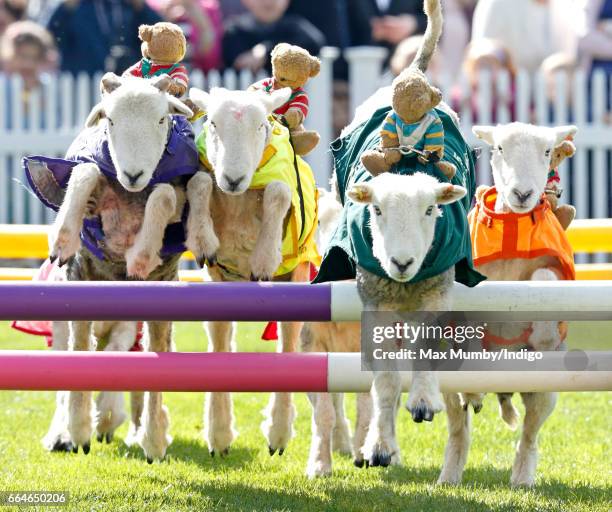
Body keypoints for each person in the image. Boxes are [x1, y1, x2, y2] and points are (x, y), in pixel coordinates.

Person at [46, 0, 162, 75]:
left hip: (126, 83)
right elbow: (50, 39)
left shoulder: (131, 5)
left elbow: (161, 36)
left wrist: (141, 7)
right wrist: (66, 8)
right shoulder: (75, 5)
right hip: (83, 84)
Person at [472, 0, 579, 74]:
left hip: (553, 98)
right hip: (507, 98)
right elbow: (481, 56)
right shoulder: (496, 4)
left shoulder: (565, 7)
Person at [222, 0, 325, 73]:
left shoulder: (295, 26)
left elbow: (315, 43)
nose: (268, 2)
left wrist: (266, 51)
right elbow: (236, 60)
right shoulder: (236, 30)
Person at [146, 0, 222, 72]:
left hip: (197, 76)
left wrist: (203, 26)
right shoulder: (151, 6)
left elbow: (212, 61)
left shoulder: (210, 7)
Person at [0, 20, 56, 91]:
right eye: (23, 56)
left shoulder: (49, 89)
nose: (28, 63)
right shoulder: (3, 86)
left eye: (35, 58)